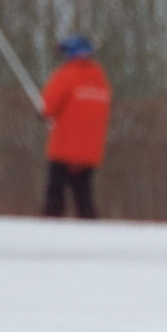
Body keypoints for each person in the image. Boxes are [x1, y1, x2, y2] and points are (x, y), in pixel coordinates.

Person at [39, 35, 111, 219]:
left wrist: (42, 113)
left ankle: (48, 232)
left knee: (55, 195)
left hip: (64, 149)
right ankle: (91, 237)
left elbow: (48, 108)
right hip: (90, 152)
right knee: (83, 197)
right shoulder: (100, 80)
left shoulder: (66, 75)